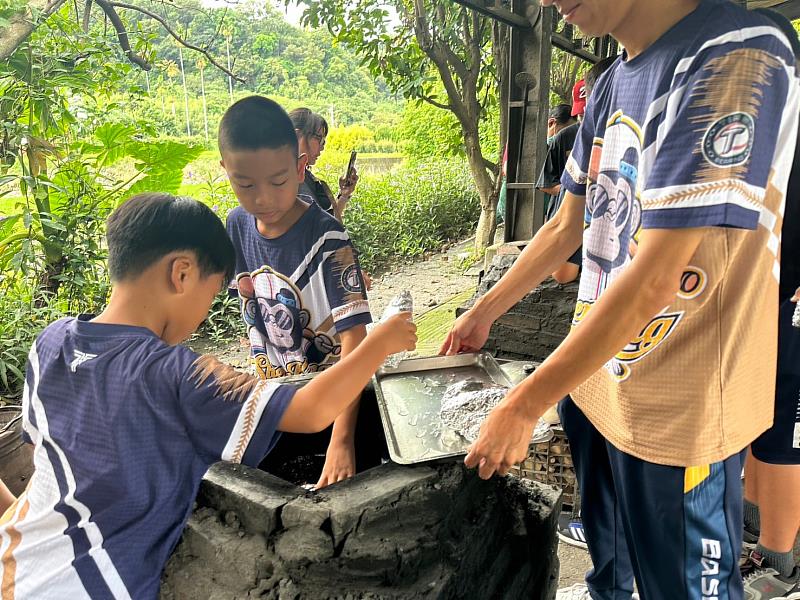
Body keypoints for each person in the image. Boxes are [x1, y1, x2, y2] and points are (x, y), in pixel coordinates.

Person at [441, 1, 798, 599]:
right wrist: (481, 313)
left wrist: (526, 403)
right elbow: (564, 227)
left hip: (680, 401)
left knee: (682, 587)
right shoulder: (610, 83)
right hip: (601, 376)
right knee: (613, 570)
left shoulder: (736, 49)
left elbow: (660, 276)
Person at [0, 193, 416, 598]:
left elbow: (46, 457)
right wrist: (379, 342)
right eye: (213, 292)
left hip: (13, 559)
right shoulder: (176, 375)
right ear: (181, 273)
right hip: (84, 586)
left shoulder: (50, 342)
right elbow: (310, 412)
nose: (204, 313)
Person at [221, 96, 375, 489]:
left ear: (300, 167)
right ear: (226, 171)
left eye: (278, 181)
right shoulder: (237, 225)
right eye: (245, 184)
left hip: (333, 399)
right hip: (276, 394)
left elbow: (355, 343)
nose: (263, 199)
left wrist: (342, 440)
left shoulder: (328, 238)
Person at [737, 10, 800, 598]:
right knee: (762, 418)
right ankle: (757, 537)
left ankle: (781, 562)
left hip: (793, 301)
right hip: (766, 296)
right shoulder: (768, 124)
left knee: (784, 430)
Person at [290, 107, 358, 223]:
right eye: (319, 139)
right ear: (297, 135)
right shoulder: (285, 179)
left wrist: (343, 195)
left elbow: (327, 222)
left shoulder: (303, 175)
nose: (322, 147)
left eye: (324, 141)